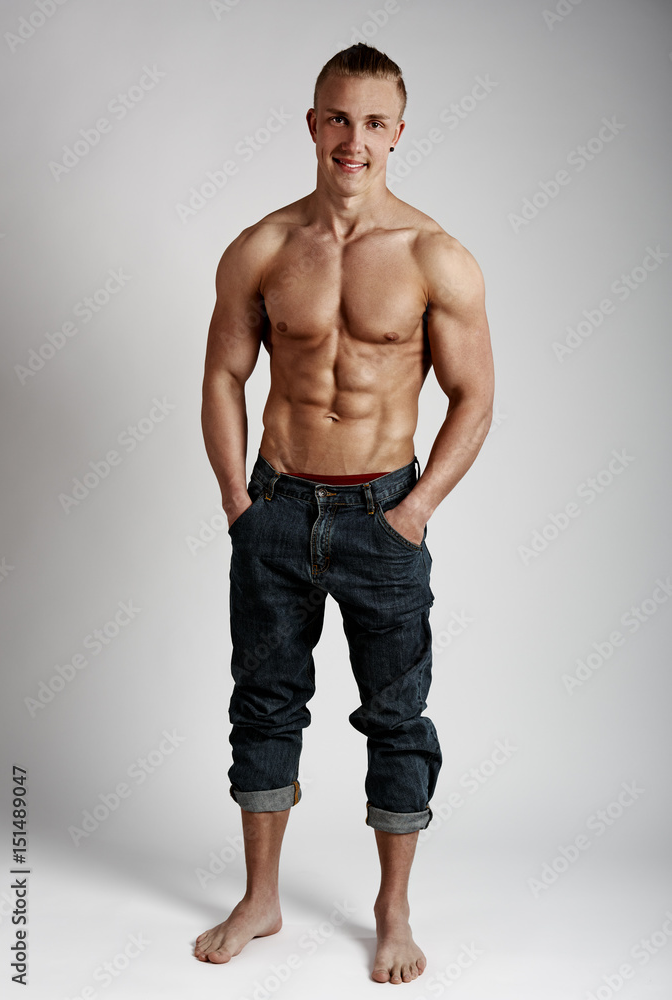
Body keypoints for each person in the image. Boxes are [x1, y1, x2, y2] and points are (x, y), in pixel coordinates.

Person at [195, 42, 494, 985]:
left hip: (381, 515)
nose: (352, 139)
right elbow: (223, 375)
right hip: (276, 507)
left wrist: (415, 510)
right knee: (263, 704)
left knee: (397, 717)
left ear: (398, 132)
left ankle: (391, 909)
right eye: (337, 118)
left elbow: (474, 396)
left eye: (371, 122)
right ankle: (261, 898)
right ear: (312, 123)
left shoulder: (435, 256)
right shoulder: (263, 247)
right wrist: (238, 502)